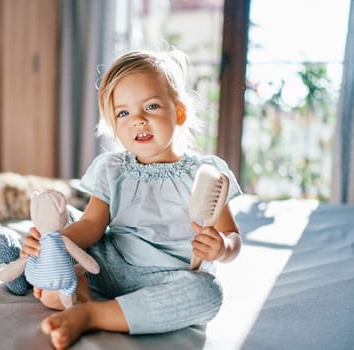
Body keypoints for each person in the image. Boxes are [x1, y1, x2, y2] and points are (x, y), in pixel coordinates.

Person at [22, 49, 243, 350]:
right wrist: (55, 244)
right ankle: (68, 280)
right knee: (67, 225)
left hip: (172, 276)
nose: (137, 120)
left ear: (179, 112)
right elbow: (91, 225)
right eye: (123, 113)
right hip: (111, 265)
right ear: (113, 124)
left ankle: (91, 313)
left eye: (150, 106)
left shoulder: (204, 173)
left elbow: (231, 235)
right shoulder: (112, 168)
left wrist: (222, 248)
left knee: (208, 294)